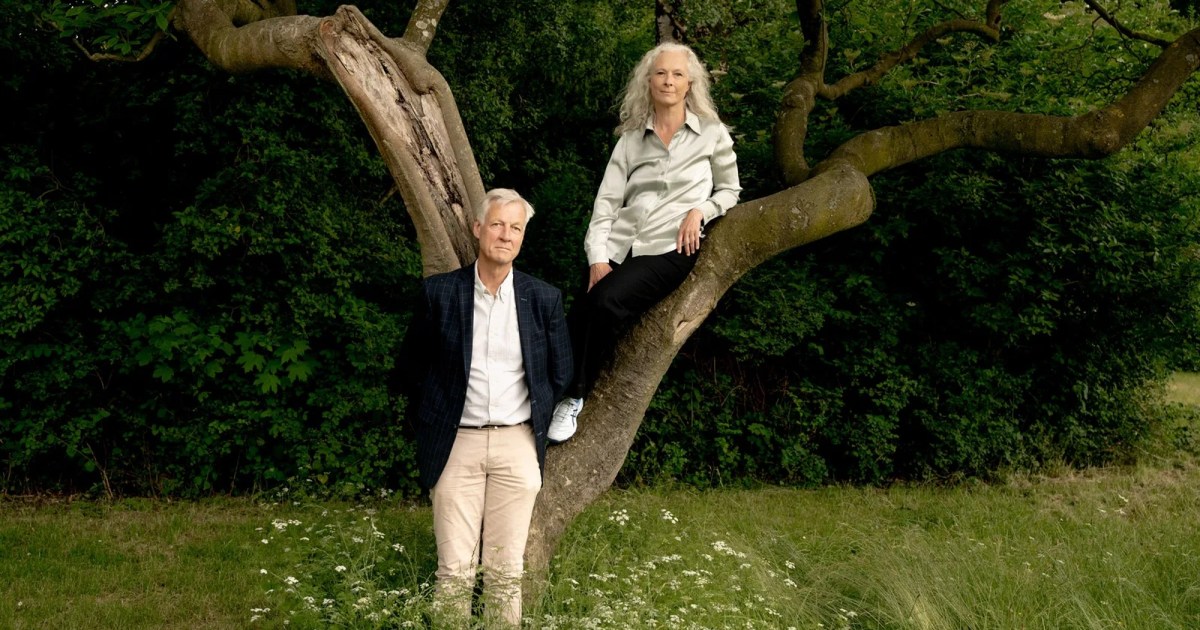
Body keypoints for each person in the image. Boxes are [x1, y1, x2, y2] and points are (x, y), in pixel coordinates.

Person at [547, 42, 741, 444]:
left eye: (677, 75)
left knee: (603, 303)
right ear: (648, 81)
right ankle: (544, 391)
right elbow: (606, 204)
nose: (668, 81)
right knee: (576, 311)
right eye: (660, 73)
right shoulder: (632, 139)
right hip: (621, 246)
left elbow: (730, 190)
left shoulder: (711, 133)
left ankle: (572, 397)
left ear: (690, 84)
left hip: (670, 249)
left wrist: (700, 211)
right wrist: (599, 258)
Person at [401, 188, 573, 626]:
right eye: (497, 224)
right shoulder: (440, 294)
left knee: (505, 572)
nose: (506, 235)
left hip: (517, 444)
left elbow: (559, 374)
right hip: (456, 442)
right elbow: (411, 369)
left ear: (522, 237)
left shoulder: (543, 299)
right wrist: (432, 421)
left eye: (516, 228)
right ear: (478, 229)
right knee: (454, 570)